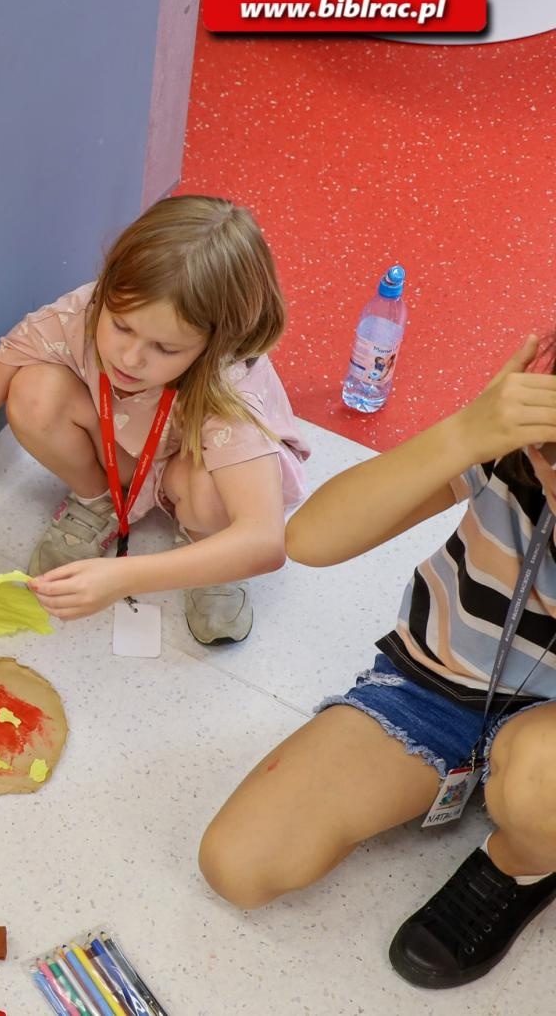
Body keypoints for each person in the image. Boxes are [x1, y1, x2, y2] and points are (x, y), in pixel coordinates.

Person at [200, 335, 556, 989]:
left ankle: (521, 864)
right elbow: (310, 539)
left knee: (540, 784)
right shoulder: (517, 445)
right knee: (241, 862)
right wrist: (466, 433)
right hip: (434, 684)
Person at [0, 195, 309, 643]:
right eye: (121, 326)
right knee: (33, 391)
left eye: (166, 349)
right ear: (106, 289)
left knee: (209, 497)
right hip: (130, 453)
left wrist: (124, 578)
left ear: (214, 343)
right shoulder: (77, 314)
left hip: (200, 470)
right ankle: (99, 500)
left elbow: (265, 541)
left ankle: (206, 549)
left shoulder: (230, 383)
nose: (129, 358)